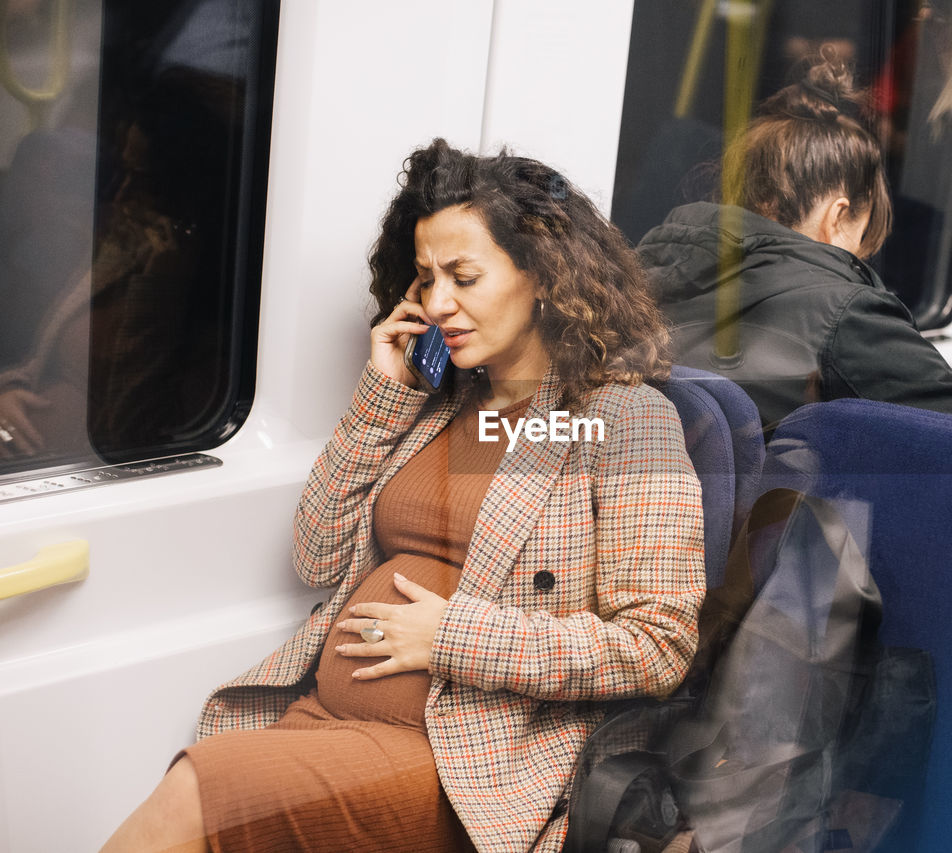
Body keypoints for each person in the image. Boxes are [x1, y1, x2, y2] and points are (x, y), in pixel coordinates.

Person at [101, 140, 705, 852]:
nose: (439, 303)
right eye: (426, 279)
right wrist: (383, 392)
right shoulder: (436, 403)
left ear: (544, 274)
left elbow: (657, 645)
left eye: (465, 276)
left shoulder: (625, 418)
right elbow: (318, 554)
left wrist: (450, 636)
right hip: (327, 717)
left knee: (193, 794)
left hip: (464, 758)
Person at [637, 49, 952, 430]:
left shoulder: (637, 274)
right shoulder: (846, 313)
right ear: (837, 217)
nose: (860, 257)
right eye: (863, 239)